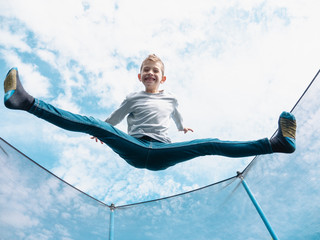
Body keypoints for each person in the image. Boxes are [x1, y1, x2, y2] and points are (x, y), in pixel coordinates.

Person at [3, 54, 296, 171]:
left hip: (163, 151)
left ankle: (275, 144)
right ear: (140, 76)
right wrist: (105, 129)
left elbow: (177, 115)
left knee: (211, 144)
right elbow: (115, 117)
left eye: (156, 70)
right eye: (146, 70)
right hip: (136, 145)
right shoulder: (132, 97)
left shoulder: (172, 99)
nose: (151, 73)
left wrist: (183, 128)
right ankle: (26, 101)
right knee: (94, 124)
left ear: (163, 78)